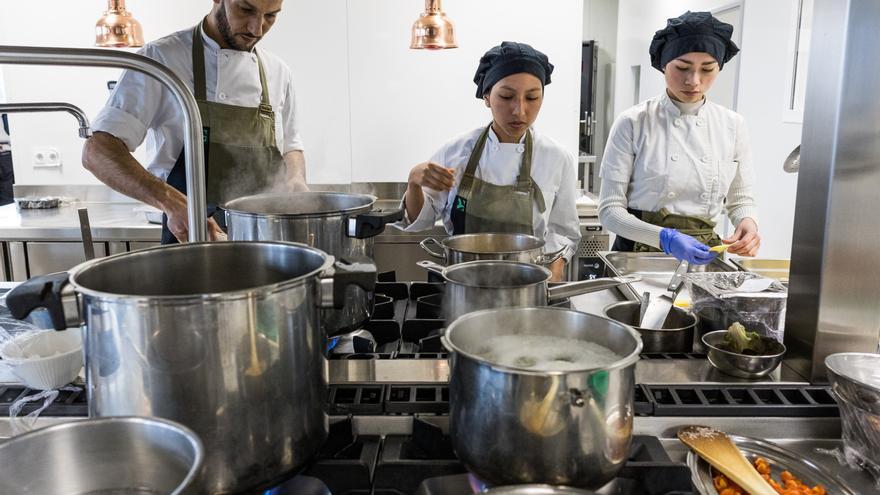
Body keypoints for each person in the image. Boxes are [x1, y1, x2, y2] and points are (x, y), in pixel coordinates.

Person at [83, 0, 307, 244]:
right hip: (191, 240)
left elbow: (291, 147)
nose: (257, 28)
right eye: (246, 9)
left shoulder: (278, 72)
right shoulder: (162, 59)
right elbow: (98, 151)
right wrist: (171, 202)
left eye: (271, 16)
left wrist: (296, 181)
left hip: (266, 244)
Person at [400, 41, 580, 281]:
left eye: (532, 97)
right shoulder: (456, 152)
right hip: (462, 283)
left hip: (526, 284)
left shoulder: (556, 158)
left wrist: (553, 272)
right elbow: (420, 220)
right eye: (506, 96)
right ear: (486, 96)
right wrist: (413, 182)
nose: (519, 111)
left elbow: (563, 231)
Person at [598, 11, 760, 265]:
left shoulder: (732, 125)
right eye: (682, 68)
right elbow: (610, 211)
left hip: (705, 255)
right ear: (664, 65)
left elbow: (740, 199)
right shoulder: (633, 122)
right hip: (637, 256)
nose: (694, 81)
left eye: (707, 69)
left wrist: (748, 222)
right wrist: (665, 238)